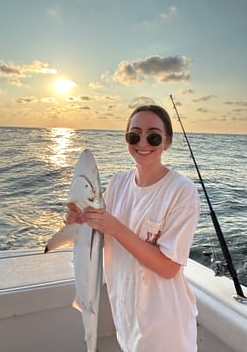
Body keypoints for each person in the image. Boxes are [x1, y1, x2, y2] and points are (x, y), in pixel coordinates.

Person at [66, 104, 200, 352]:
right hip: (126, 317)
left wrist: (117, 229)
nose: (143, 142)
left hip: (165, 328)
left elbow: (169, 267)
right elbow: (100, 234)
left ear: (167, 142)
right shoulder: (117, 183)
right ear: (126, 138)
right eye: (134, 134)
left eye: (154, 136)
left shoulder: (182, 191)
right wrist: (78, 219)